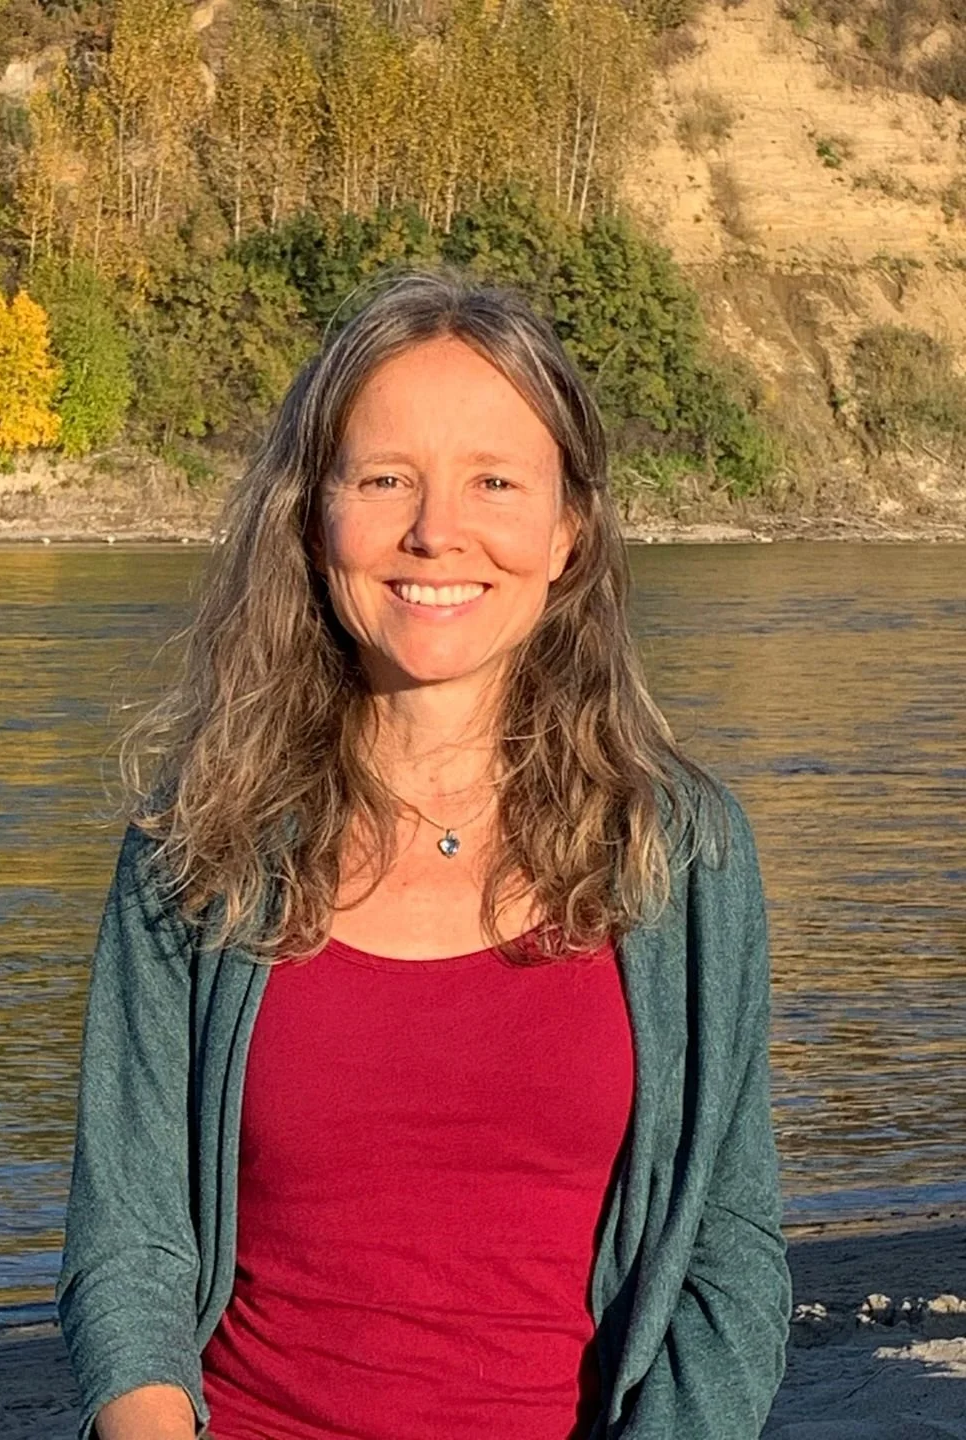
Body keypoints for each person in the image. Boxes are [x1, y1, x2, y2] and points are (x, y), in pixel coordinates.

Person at [56, 268, 791, 1440]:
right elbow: (129, 1244)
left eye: (494, 481)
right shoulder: (195, 845)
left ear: (569, 532)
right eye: (386, 478)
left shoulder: (681, 853)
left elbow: (730, 1253)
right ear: (314, 517)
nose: (436, 531)